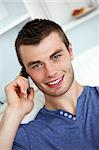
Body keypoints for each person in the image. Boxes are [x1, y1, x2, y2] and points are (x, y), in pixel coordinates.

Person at [0, 19, 99, 150]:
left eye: (56, 57)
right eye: (37, 65)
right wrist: (13, 112)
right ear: (25, 73)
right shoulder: (28, 138)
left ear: (70, 51)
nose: (50, 72)